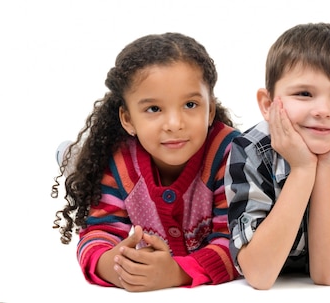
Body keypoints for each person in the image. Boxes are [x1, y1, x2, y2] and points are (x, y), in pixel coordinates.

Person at [50, 32, 240, 292]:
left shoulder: (229, 154)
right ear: (127, 119)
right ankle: (74, 157)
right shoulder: (119, 162)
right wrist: (117, 267)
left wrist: (176, 272)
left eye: (190, 104)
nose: (174, 124)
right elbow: (96, 233)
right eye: (154, 109)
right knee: (88, 166)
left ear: (210, 111)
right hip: (122, 160)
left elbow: (238, 245)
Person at [224, 22, 330, 290]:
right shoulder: (250, 149)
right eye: (304, 94)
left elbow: (327, 273)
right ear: (268, 105)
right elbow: (259, 275)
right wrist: (302, 169)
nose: (322, 110)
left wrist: (325, 168)